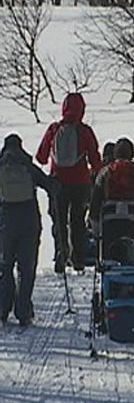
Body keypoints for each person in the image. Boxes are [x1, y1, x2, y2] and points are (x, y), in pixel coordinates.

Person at [36, 92, 102, 273]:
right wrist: (94, 171)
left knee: (59, 220)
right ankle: (78, 258)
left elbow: (40, 157)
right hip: (80, 183)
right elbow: (95, 159)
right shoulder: (84, 131)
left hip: (57, 183)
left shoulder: (54, 129)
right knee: (78, 221)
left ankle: (61, 252)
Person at [0, 134, 58, 326]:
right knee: (26, 267)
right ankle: (23, 311)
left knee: (5, 266)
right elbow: (49, 185)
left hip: (4, 222)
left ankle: (2, 307)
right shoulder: (28, 167)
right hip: (29, 221)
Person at [90, 137, 134, 264]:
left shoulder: (104, 172)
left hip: (109, 223)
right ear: (132, 153)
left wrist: (96, 233)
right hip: (133, 222)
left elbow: (94, 206)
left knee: (109, 256)